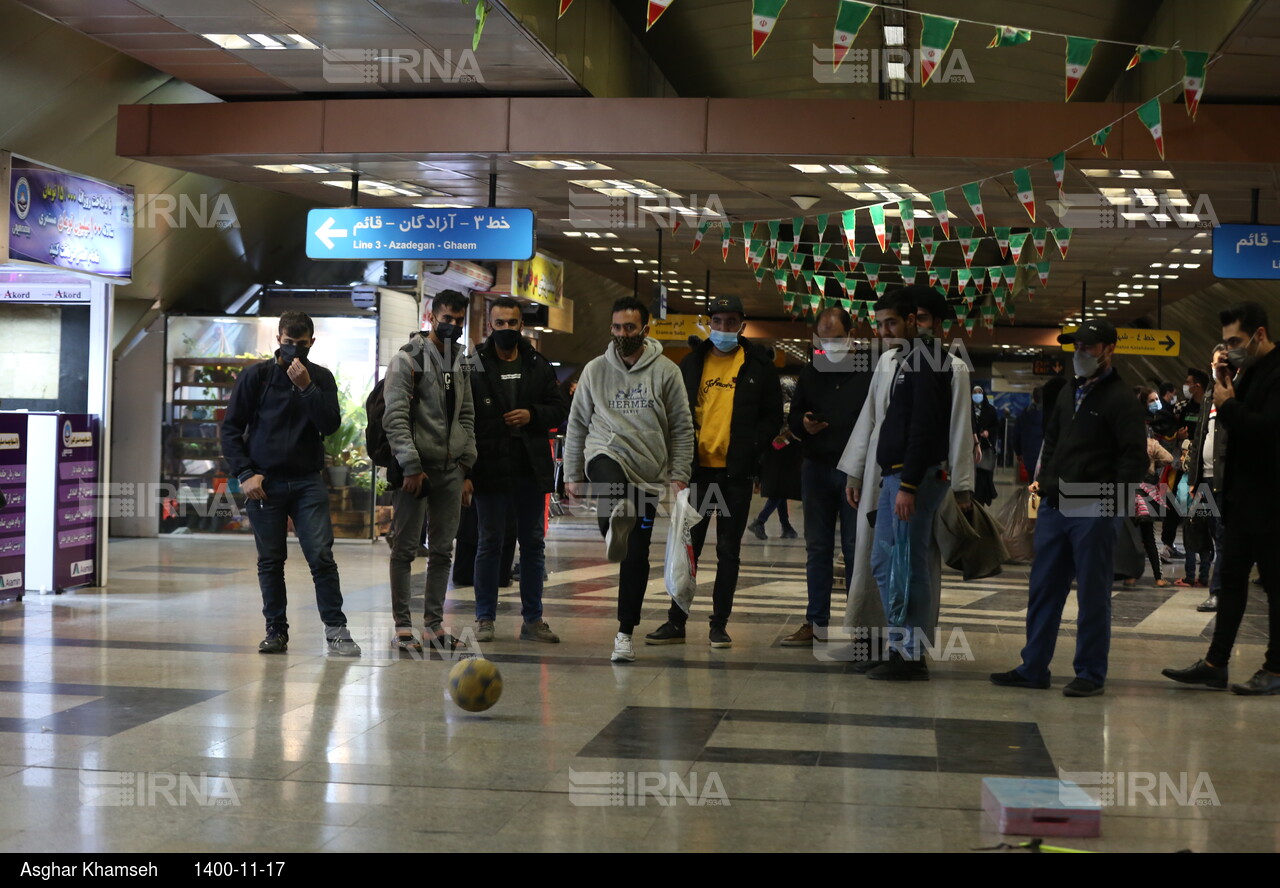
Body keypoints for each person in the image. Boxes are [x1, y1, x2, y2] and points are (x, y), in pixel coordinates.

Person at [991, 319, 1147, 697]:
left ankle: (1091, 672)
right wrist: (1044, 484)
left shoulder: (1121, 399)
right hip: (1056, 503)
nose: (1080, 354)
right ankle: (1034, 667)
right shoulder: (1067, 392)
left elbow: (1133, 459)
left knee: (1093, 593)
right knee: (1044, 587)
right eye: (1076, 347)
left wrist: (1111, 506)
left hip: (1094, 504)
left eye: (1088, 347)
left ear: (1109, 349)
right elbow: (1054, 439)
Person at [645, 294, 782, 649]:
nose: (723, 328)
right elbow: (673, 413)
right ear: (709, 323)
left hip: (734, 474)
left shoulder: (758, 366)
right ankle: (676, 620)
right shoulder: (691, 363)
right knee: (688, 549)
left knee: (728, 551)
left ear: (742, 324)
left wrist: (753, 449)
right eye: (717, 321)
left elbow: (771, 417)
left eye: (730, 321)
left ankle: (719, 624)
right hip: (698, 474)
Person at [221, 310, 360, 656]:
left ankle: (336, 630)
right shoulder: (257, 377)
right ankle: (276, 631)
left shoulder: (322, 379)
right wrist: (245, 473)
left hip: (306, 482)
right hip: (263, 483)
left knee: (321, 556)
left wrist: (306, 389)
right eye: (287, 343)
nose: (294, 351)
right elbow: (231, 429)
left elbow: (329, 425)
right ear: (278, 340)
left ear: (312, 343)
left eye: (301, 345)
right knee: (270, 560)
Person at [563, 296, 694, 663]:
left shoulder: (667, 371)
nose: (623, 334)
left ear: (645, 330)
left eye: (630, 328)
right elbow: (577, 424)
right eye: (617, 328)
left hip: (647, 472)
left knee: (635, 556)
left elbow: (682, 428)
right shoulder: (593, 370)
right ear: (611, 329)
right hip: (604, 452)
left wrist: (679, 473)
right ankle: (614, 516)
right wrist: (573, 472)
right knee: (609, 479)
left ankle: (624, 632)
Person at [1163, 303, 1280, 695]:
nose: (1230, 348)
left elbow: (1266, 431)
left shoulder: (1277, 373)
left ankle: (1275, 669)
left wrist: (1229, 405)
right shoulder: (1245, 374)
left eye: (1236, 341)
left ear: (1259, 335)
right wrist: (1222, 380)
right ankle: (1216, 663)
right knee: (1230, 582)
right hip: (1242, 498)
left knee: (1275, 586)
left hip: (1270, 501)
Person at [859, 288, 954, 681]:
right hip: (897, 475)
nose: (884, 332)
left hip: (912, 477)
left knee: (907, 565)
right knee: (886, 563)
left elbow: (925, 428)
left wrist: (909, 485)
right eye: (879, 325)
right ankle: (901, 645)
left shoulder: (928, 360)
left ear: (913, 320)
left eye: (892, 323)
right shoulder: (909, 360)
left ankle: (910, 654)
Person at [468, 297, 568, 644]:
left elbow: (558, 408)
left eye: (512, 323)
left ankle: (533, 619)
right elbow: (464, 417)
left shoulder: (538, 364)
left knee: (533, 544)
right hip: (489, 466)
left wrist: (532, 415)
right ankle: (484, 618)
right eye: (500, 324)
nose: (507, 329)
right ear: (489, 326)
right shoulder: (474, 365)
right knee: (489, 542)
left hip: (529, 466)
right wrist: (466, 470)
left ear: (520, 325)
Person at [383, 289, 477, 652]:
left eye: (458, 319)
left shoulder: (462, 361)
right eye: (446, 318)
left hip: (451, 470)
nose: (451, 324)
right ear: (431, 316)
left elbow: (467, 414)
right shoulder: (407, 360)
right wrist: (409, 465)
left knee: (442, 550)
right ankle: (403, 626)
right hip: (417, 471)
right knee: (405, 549)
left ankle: (434, 626)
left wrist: (466, 463)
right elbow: (395, 417)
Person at [780, 306, 871, 646]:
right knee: (817, 549)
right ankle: (815, 623)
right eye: (823, 339)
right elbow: (794, 418)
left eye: (836, 338)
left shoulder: (868, 369)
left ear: (851, 333)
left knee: (854, 548)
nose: (829, 345)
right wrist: (803, 424)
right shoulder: (812, 369)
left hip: (854, 472)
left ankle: (859, 625)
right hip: (816, 468)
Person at [1123, 387, 1173, 589]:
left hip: (1132, 486)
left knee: (1134, 535)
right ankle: (1157, 577)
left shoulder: (1137, 426)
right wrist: (1154, 460)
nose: (1156, 403)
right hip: (1147, 486)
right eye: (1152, 400)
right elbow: (1167, 457)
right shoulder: (1147, 431)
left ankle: (1131, 576)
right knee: (1147, 535)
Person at [971, 385, 999, 506]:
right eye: (975, 392)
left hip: (985, 451)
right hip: (970, 450)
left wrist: (988, 432)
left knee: (982, 480)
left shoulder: (990, 410)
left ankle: (980, 502)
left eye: (980, 392)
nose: (977, 395)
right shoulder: (968, 409)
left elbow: (996, 427)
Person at [1013, 386, 1046, 484]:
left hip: (1029, 456)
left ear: (1033, 397)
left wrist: (1018, 452)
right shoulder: (1049, 415)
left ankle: (1034, 498)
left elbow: (1016, 435)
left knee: (1032, 481)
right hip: (1044, 456)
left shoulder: (1023, 415)